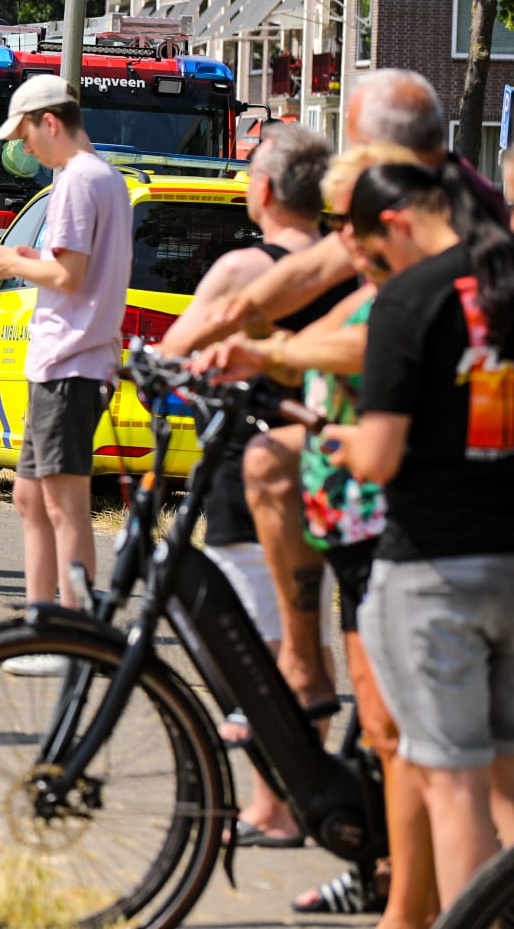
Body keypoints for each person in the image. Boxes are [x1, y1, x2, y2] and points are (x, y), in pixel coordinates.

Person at [195, 142, 433, 921]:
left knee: (413, 740)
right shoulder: (383, 265)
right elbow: (322, 306)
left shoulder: (425, 277)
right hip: (356, 520)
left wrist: (268, 347)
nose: (341, 234)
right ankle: (384, 871)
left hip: (399, 525)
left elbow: (365, 338)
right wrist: (256, 342)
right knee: (382, 727)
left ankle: (413, 899)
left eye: (348, 217)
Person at [327, 161, 514, 911]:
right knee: (506, 773)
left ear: (398, 224)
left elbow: (380, 458)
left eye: (374, 248)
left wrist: (342, 439)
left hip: (432, 567)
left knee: (452, 781)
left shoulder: (411, 298)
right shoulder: (499, 287)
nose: (375, 266)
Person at [158, 123, 346, 848]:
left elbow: (178, 349)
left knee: (260, 650)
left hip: (252, 469)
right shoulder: (347, 268)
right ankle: (307, 791)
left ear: (261, 190)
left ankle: (274, 806)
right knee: (308, 638)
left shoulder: (249, 269)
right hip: (327, 467)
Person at [0, 76, 132, 657]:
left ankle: (69, 636)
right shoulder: (105, 178)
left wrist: (14, 263)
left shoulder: (76, 182)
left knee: (63, 504)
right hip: (72, 359)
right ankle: (48, 620)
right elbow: (77, 267)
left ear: (49, 122)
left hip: (70, 360)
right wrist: (32, 257)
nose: (25, 150)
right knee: (30, 494)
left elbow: (68, 276)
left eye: (25, 134)